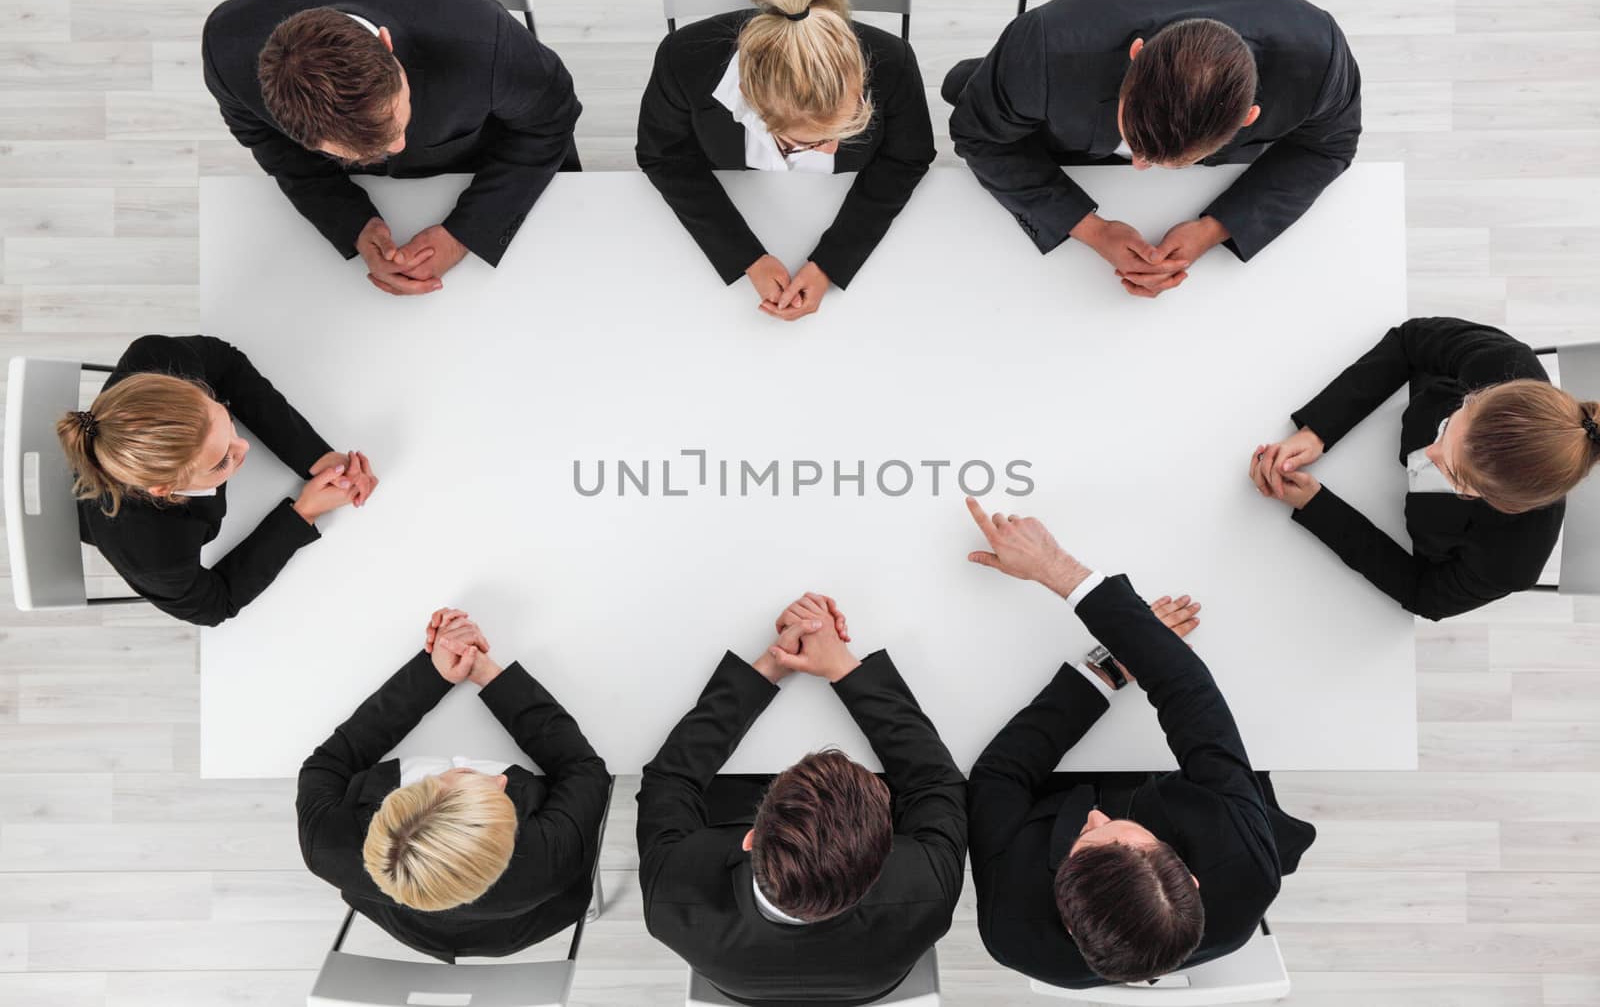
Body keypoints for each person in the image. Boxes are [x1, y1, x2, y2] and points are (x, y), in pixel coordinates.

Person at [962, 497, 1316, 988]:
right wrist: (1059, 572)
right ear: (1190, 880)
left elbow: (999, 774)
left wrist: (1107, 669)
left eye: (1085, 841)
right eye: (1122, 832)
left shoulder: (1012, 925)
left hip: (1053, 780)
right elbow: (1191, 696)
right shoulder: (1245, 865)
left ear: (1064, 913)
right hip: (1191, 785)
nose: (1095, 817)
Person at [637, 592, 966, 1004]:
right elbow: (935, 783)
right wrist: (843, 667)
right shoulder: (926, 891)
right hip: (866, 980)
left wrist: (770, 666)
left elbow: (669, 779)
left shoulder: (673, 896)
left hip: (745, 979)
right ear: (885, 853)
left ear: (751, 837)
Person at [945, 0, 1360, 298]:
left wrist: (1213, 228)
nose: (1140, 167)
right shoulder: (1043, 44)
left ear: (1250, 117)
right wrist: (1090, 228)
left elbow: (1329, 146)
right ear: (1137, 54)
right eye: (1137, 146)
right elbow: (978, 135)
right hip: (1059, 135)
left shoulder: (1320, 60)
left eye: (1166, 162)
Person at [202, 0, 582, 297]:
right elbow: (272, 147)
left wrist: (466, 232)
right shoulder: (226, 51)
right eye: (357, 149)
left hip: (489, 157)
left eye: (395, 120)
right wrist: (353, 223)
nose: (397, 146)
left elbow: (553, 118)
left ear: (386, 44)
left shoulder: (484, 41)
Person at [297, 608, 611, 961]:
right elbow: (583, 769)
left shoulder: (325, 846)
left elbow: (328, 763)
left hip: (410, 925)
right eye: (497, 792)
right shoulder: (548, 859)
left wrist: (433, 674)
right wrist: (489, 675)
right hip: (521, 924)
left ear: (408, 793)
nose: (501, 778)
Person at [637, 0, 935, 321]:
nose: (830, 148)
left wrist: (832, 261)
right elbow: (664, 157)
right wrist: (746, 256)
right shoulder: (681, 60)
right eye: (804, 143)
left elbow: (908, 157)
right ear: (749, 104)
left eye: (851, 120)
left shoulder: (894, 61)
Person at [1251, 317, 1598, 620]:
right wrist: (1320, 429)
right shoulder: (1504, 362)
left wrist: (1317, 506)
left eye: (1456, 475)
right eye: (1448, 426)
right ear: (1477, 395)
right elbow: (1410, 341)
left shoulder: (1510, 563)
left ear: (1501, 504)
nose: (1428, 453)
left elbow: (1422, 593)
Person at [57, 334, 377, 626]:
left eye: (226, 423)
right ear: (164, 489)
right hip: (85, 516)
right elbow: (216, 603)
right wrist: (304, 512)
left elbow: (226, 366)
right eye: (223, 459)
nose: (244, 447)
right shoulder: (152, 554)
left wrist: (314, 457)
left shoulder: (159, 358)